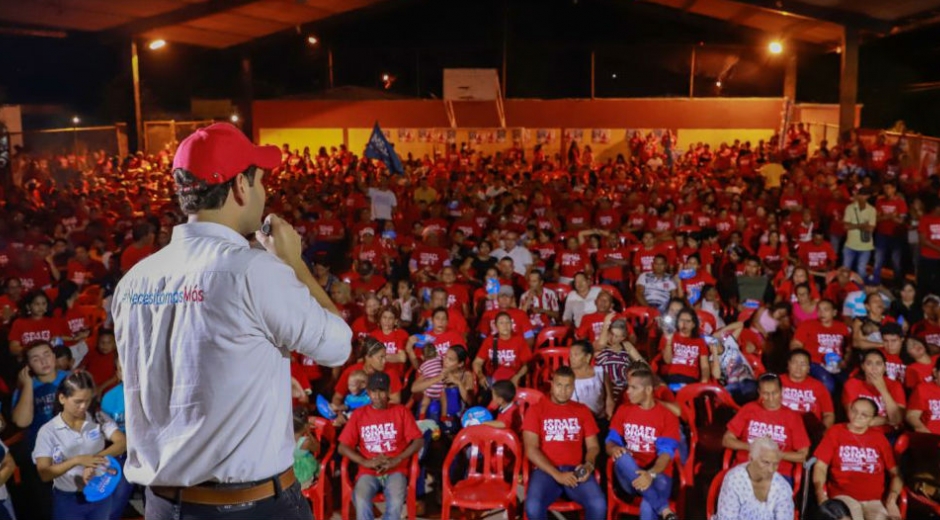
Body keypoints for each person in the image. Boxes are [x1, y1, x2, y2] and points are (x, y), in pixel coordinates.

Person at [111, 123, 352, 519]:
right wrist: (293, 263)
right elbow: (337, 346)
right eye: (260, 180)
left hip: (163, 505)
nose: (265, 192)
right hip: (250, 506)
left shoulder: (134, 280)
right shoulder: (251, 271)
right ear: (240, 186)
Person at [33, 371, 127, 520]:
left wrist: (95, 460)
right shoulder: (48, 431)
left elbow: (122, 443)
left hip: (100, 493)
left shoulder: (98, 417)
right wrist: (76, 460)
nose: (83, 406)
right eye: (78, 401)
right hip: (68, 500)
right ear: (62, 398)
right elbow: (44, 474)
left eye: (88, 401)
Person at [522, 367, 607, 520]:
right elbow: (531, 449)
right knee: (533, 507)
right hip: (546, 471)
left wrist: (588, 465)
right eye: (559, 385)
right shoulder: (536, 410)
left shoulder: (582, 410)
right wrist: (557, 475)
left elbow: (593, 446)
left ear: (573, 386)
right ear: (552, 384)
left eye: (568, 386)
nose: (563, 390)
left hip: (575, 471)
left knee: (599, 504)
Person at [337, 372, 424, 520]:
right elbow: (342, 447)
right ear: (368, 392)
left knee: (396, 501)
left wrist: (397, 459)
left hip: (396, 469)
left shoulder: (401, 411)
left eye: (381, 391)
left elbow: (418, 441)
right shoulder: (359, 414)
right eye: (373, 391)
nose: (377, 396)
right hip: (368, 470)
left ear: (389, 391)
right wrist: (366, 462)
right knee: (361, 498)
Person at [606, 368, 681, 520]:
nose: (628, 392)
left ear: (648, 390)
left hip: (658, 474)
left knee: (647, 506)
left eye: (634, 388)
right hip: (628, 476)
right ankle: (664, 509)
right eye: (628, 387)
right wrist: (614, 448)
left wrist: (650, 474)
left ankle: (658, 505)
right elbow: (610, 441)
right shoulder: (623, 410)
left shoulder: (667, 416)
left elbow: (666, 454)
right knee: (622, 456)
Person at [813, 397, 903, 520]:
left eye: (864, 415)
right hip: (843, 496)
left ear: (872, 419)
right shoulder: (836, 432)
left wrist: (891, 500)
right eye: (854, 411)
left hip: (874, 500)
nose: (857, 416)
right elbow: (820, 466)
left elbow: (896, 473)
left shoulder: (878, 438)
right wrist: (820, 494)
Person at [723, 374, 811, 482]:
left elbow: (802, 455)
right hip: (745, 468)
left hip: (777, 472)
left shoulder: (792, 417)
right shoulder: (749, 409)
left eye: (775, 393)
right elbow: (727, 440)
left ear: (781, 391)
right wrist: (752, 448)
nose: (771, 398)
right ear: (759, 392)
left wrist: (777, 454)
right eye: (766, 394)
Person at [715, 437, 795, 520]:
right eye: (765, 462)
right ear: (751, 459)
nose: (771, 470)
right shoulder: (735, 480)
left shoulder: (782, 487)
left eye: (775, 464)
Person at [790, 299, 851, 394]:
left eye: (826, 310)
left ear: (834, 312)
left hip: (837, 363)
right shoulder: (808, 324)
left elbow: (848, 348)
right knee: (827, 383)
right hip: (815, 363)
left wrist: (845, 361)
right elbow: (796, 344)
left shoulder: (842, 327)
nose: (822, 313)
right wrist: (803, 362)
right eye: (819, 310)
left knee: (849, 384)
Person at [472, 312, 532, 389]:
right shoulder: (489, 341)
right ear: (496, 326)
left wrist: (517, 377)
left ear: (511, 325)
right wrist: (481, 376)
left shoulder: (519, 340)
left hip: (514, 377)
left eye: (507, 322)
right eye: (501, 323)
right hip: (493, 378)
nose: (505, 326)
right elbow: (477, 362)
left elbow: (527, 364)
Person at [781, 349, 835, 431]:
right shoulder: (777, 381)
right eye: (795, 363)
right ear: (788, 365)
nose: (798, 367)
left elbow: (828, 414)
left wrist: (823, 432)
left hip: (809, 429)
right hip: (783, 425)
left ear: (809, 368)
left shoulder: (818, 386)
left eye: (803, 364)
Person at [661, 307, 710, 387]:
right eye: (681, 320)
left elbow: (705, 367)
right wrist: (669, 340)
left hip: (691, 380)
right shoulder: (669, 336)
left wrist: (704, 380)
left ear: (693, 324)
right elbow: (667, 360)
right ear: (677, 322)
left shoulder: (700, 341)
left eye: (688, 321)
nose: (684, 324)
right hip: (672, 377)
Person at [906, 356, 940, 433]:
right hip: (931, 438)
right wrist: (925, 432)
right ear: (935, 372)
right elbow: (912, 416)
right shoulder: (923, 389)